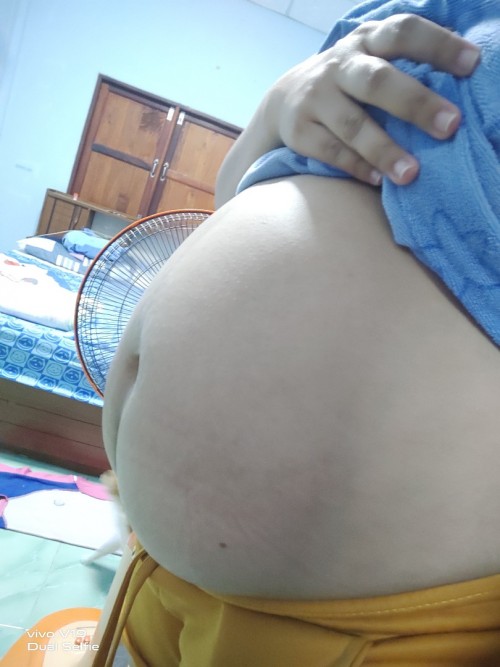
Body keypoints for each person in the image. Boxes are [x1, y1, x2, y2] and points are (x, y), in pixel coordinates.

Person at [101, 4, 500, 666]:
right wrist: (275, 107)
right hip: (155, 566)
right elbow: (235, 196)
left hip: (378, 626)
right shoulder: (392, 17)